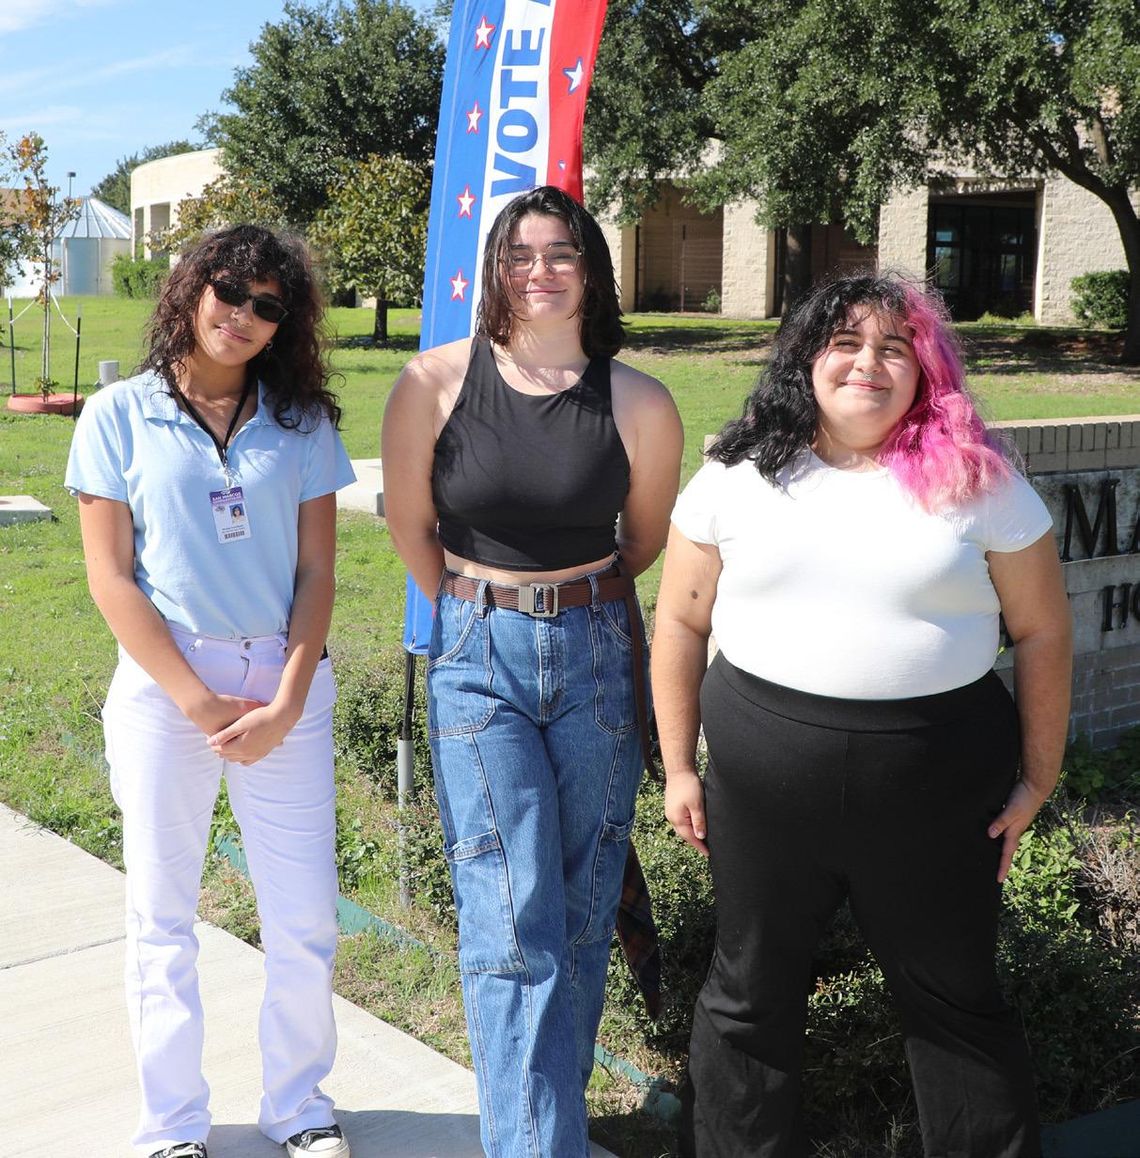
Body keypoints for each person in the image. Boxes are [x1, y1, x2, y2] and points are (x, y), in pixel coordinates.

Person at [652, 272, 1073, 1158]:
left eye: (894, 347)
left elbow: (1040, 634)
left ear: (925, 368)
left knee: (956, 1000)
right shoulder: (733, 476)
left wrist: (1039, 777)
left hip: (939, 787)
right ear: (806, 356)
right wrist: (680, 768)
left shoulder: (981, 483)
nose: (867, 364)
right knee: (748, 996)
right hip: (765, 790)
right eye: (845, 341)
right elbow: (682, 621)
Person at [382, 184, 683, 1156]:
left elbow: (640, 543)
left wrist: (566, 603)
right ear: (493, 273)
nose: (541, 271)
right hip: (478, 657)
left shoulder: (638, 401)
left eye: (561, 253)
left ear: (591, 268)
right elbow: (411, 530)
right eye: (521, 254)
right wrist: (486, 610)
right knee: (512, 920)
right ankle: (535, 1147)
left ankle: (539, 1133)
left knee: (584, 905)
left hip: (595, 653)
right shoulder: (432, 384)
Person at [66, 225, 355, 1158]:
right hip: (165, 687)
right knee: (161, 916)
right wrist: (196, 701)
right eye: (230, 291)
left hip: (284, 682)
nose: (245, 316)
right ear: (190, 290)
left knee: (304, 914)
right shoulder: (116, 413)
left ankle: (300, 1108)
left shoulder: (305, 422)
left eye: (270, 306)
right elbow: (111, 578)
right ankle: (173, 1126)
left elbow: (318, 575)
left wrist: (286, 700)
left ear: (287, 325)